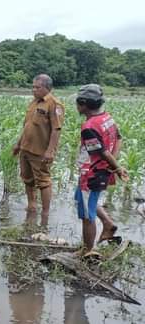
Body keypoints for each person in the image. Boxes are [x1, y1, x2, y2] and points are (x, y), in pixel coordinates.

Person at [74, 84, 127, 257]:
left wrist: (116, 167)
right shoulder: (107, 118)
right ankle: (108, 223)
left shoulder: (89, 127)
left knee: (87, 215)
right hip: (101, 170)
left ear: (83, 104)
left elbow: (101, 152)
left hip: (91, 174)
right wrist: (113, 163)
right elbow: (118, 138)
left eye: (78, 102)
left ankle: (88, 250)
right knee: (85, 200)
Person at [12, 74, 64, 227]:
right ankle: (32, 205)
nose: (33, 90)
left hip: (40, 151)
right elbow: (27, 125)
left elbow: (56, 129)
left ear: (47, 88)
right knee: (27, 178)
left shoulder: (54, 104)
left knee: (43, 181)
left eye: (37, 87)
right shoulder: (34, 102)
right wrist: (18, 144)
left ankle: (46, 212)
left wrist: (50, 151)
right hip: (26, 148)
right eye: (33, 87)